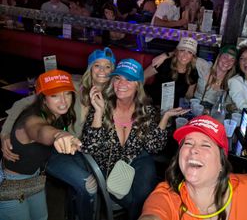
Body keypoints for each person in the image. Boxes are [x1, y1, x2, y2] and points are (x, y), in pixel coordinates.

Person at [1, 47, 116, 220]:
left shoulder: (116, 93)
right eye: (97, 65)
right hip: (54, 153)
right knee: (86, 184)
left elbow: (135, 82)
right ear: (89, 68)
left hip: (73, 155)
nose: (102, 71)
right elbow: (32, 120)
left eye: (108, 67)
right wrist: (5, 134)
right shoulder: (71, 86)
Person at [81, 58, 188, 220]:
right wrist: (98, 112)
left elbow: (155, 147)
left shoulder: (146, 110)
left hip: (136, 161)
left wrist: (164, 118)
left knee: (144, 193)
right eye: (118, 78)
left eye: (129, 79)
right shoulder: (102, 106)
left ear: (138, 84)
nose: (121, 83)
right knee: (135, 203)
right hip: (108, 166)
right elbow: (90, 148)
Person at [139, 115, 247, 220]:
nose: (193, 149)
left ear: (221, 162)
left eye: (205, 145)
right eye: (188, 143)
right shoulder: (166, 197)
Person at [0, 69, 82, 220]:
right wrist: (58, 135)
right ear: (44, 99)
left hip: (35, 180)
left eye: (67, 93)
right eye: (54, 95)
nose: (63, 101)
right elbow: (40, 130)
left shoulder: (57, 115)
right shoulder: (32, 119)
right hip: (11, 186)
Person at [144, 37, 199, 107]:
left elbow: (188, 95)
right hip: (152, 103)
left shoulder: (193, 73)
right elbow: (143, 75)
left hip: (172, 109)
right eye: (182, 50)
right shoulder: (164, 63)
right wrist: (142, 97)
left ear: (193, 57)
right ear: (176, 52)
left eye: (189, 52)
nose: (185, 55)